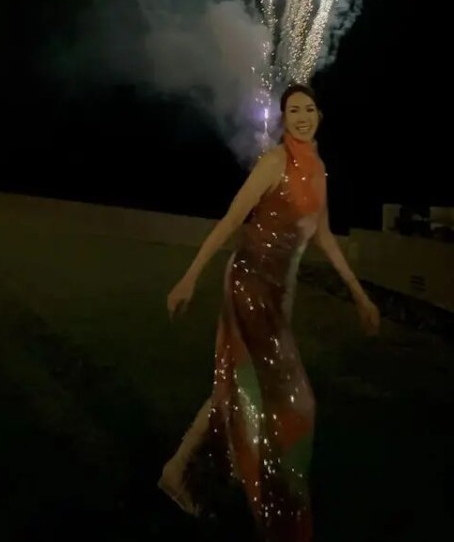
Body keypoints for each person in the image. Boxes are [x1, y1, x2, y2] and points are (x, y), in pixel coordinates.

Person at [158, 84, 380, 539]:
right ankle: (273, 497)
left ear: (319, 116)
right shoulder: (273, 163)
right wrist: (190, 276)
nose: (302, 116)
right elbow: (231, 220)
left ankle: (178, 470)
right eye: (293, 110)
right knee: (296, 400)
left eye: (309, 109)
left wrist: (359, 294)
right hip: (250, 284)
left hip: (280, 295)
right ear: (284, 119)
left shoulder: (317, 171)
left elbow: (323, 236)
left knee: (236, 386)